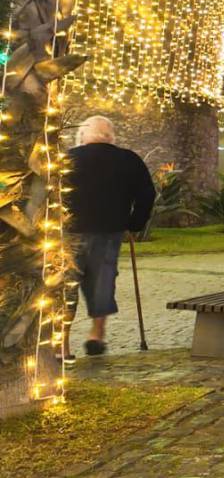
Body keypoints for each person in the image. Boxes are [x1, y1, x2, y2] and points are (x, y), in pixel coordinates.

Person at [63, 116, 156, 358]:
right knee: (102, 281)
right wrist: (135, 223)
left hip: (69, 232)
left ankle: (61, 345)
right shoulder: (129, 160)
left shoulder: (68, 158)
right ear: (111, 136)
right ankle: (97, 334)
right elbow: (147, 194)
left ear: (83, 135)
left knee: (65, 285)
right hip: (109, 231)